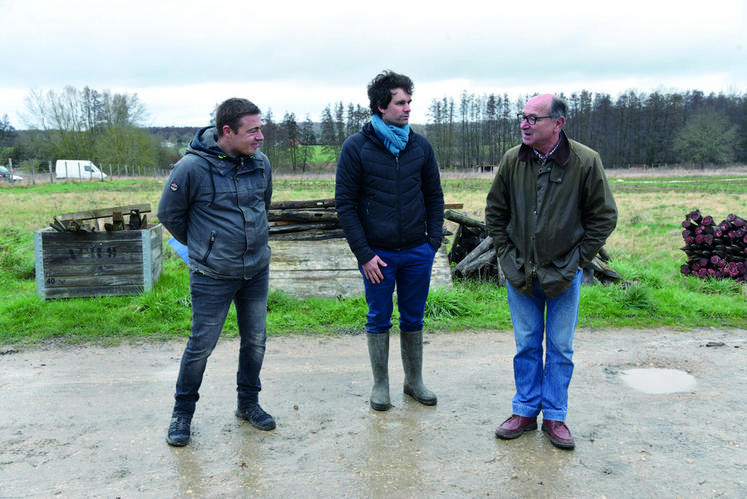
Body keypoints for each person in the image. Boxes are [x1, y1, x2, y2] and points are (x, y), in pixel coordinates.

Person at [485, 94, 617, 449]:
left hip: (564, 275)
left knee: (560, 347)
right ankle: (525, 411)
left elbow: (604, 217)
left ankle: (556, 416)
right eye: (523, 117)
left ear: (558, 123)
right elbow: (495, 211)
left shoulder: (585, 161)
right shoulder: (513, 159)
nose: (524, 124)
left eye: (534, 118)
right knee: (526, 344)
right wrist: (507, 255)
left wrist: (576, 260)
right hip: (520, 272)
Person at [157, 97, 275, 447]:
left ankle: (248, 404)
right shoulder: (191, 168)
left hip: (255, 270)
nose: (260, 137)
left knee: (255, 341)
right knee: (201, 346)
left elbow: (263, 205)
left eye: (260, 129)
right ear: (227, 131)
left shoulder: (261, 164)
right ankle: (182, 414)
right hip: (212, 274)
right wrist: (203, 246)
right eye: (253, 130)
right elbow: (169, 214)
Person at [335, 70, 444, 411]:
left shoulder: (420, 147)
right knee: (378, 317)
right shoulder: (356, 148)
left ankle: (414, 382)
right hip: (377, 255)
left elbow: (434, 197)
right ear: (381, 106)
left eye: (410, 102)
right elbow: (346, 206)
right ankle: (380, 384)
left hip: (416, 252)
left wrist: (432, 244)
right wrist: (364, 255)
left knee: (414, 318)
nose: (408, 108)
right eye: (400, 102)